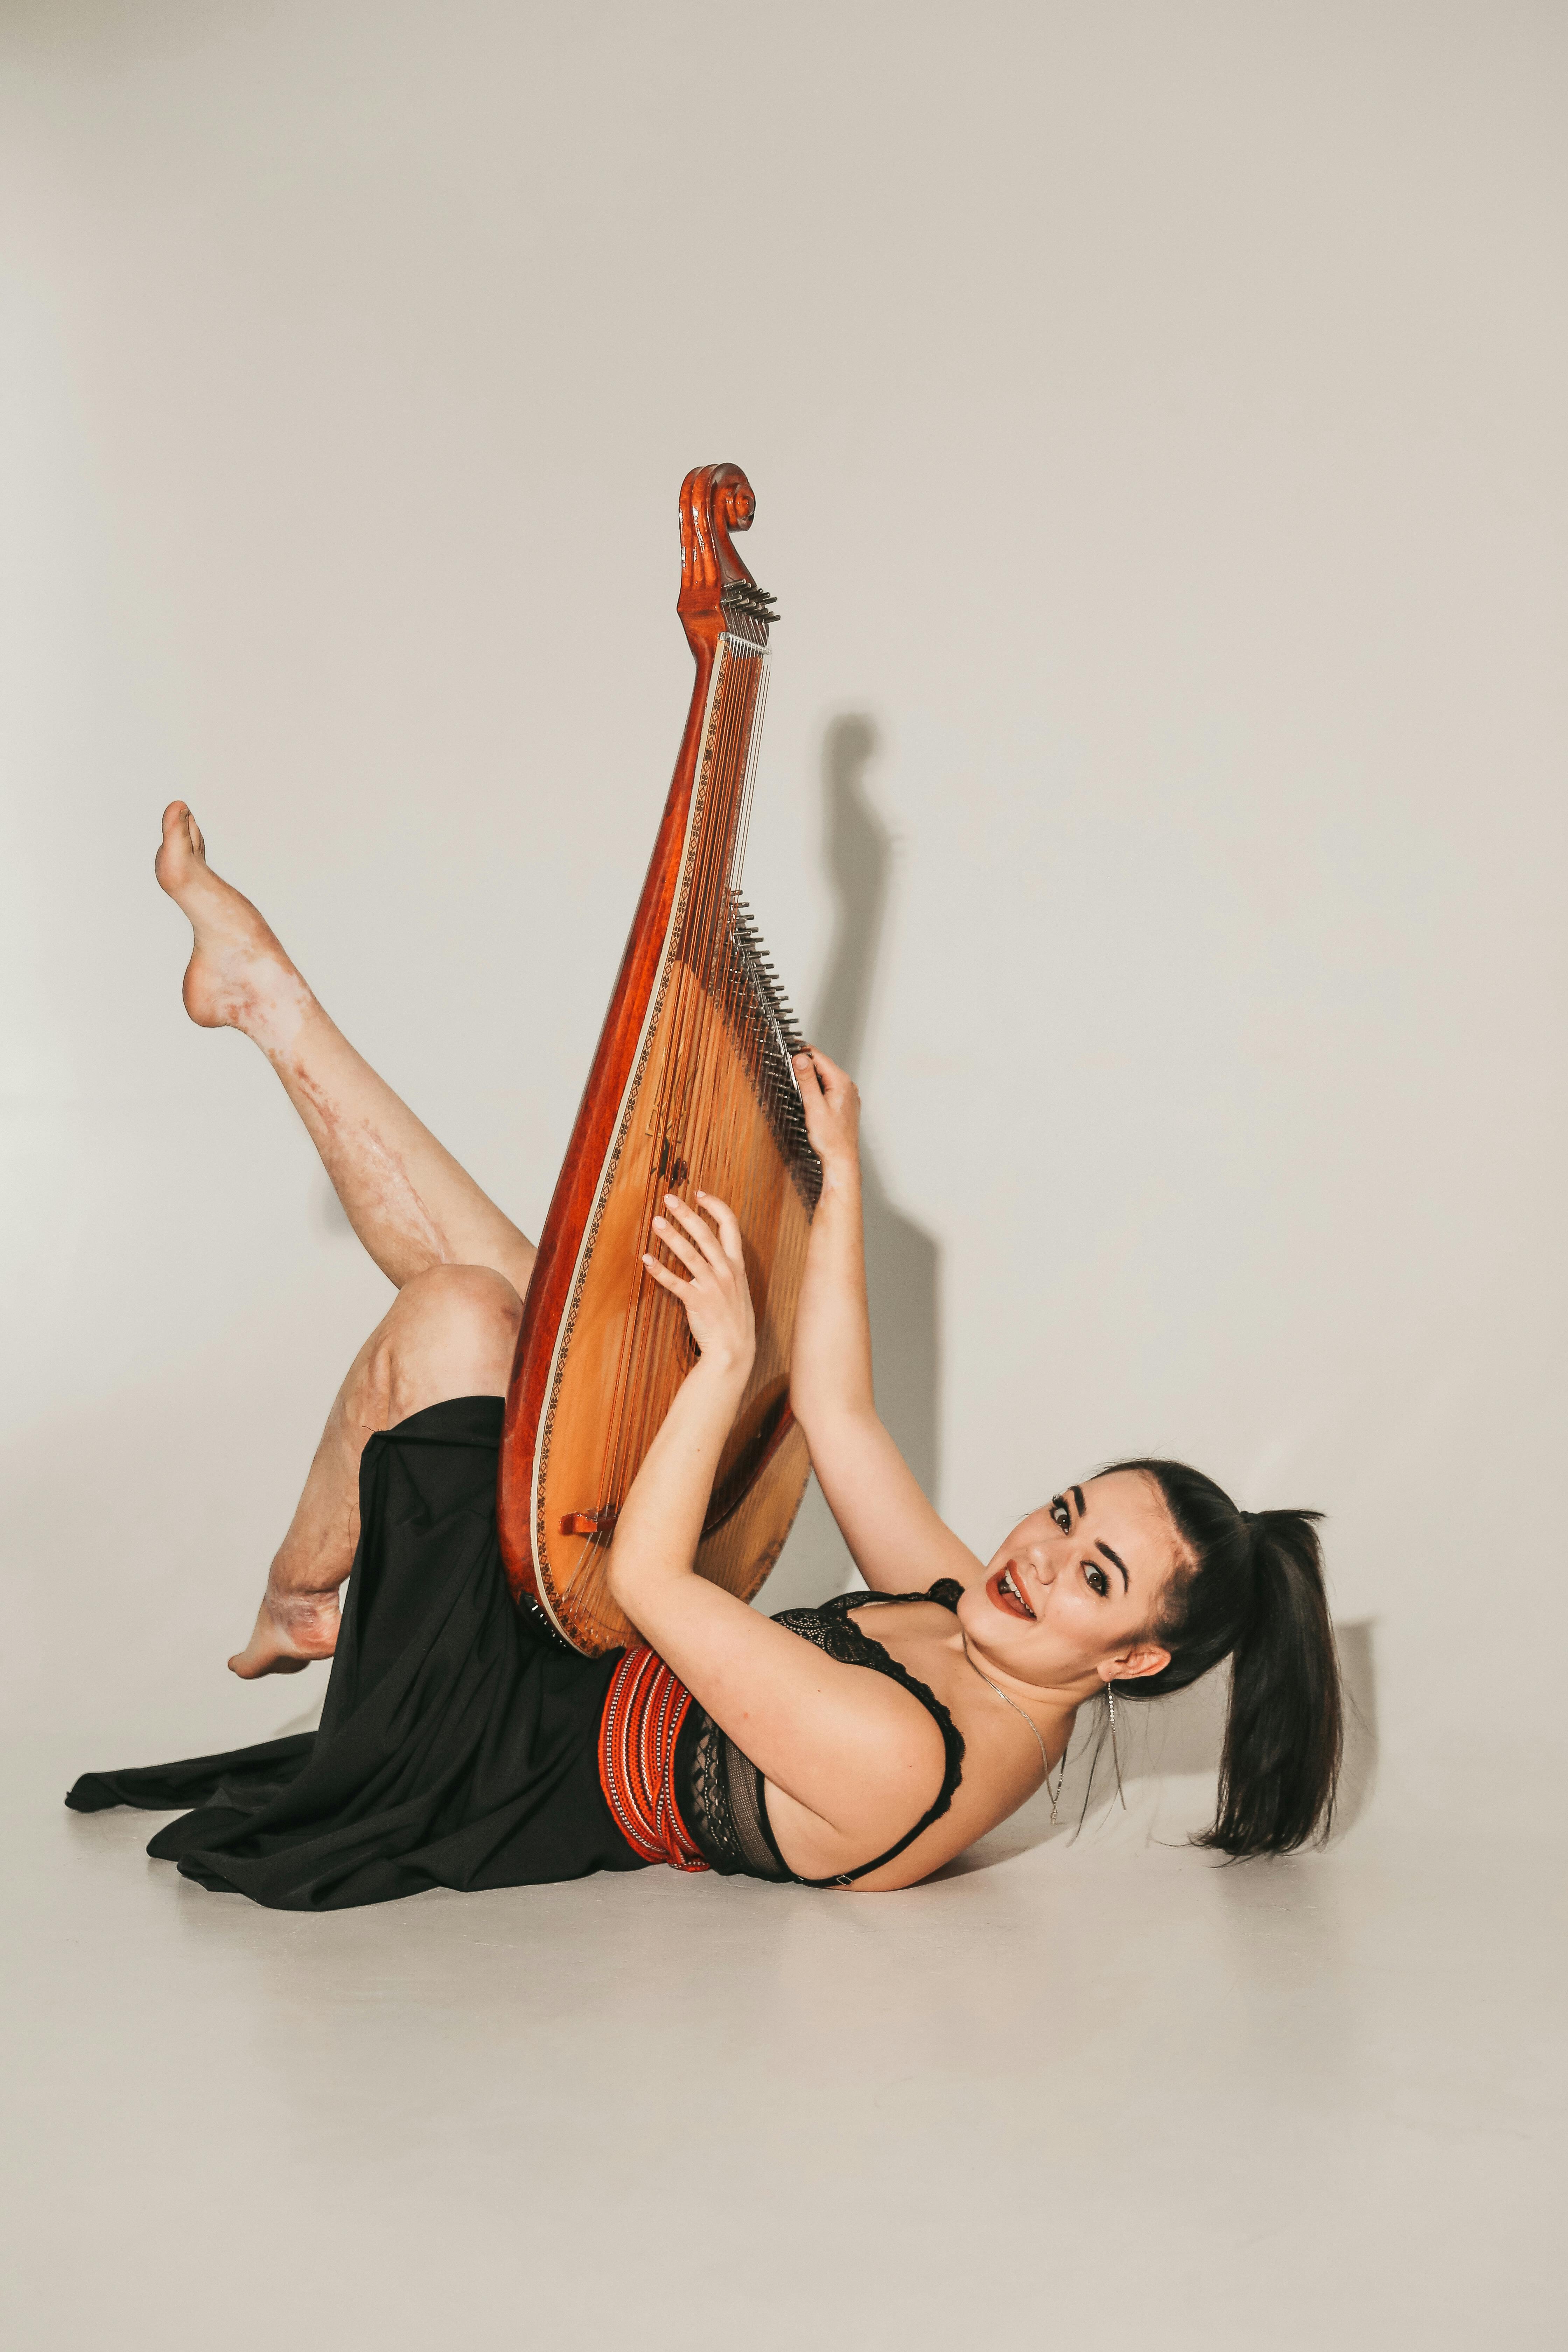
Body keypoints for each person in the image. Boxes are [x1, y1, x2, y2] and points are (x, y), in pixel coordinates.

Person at [65, 804, 1343, 1907]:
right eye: (1066, 1515)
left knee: (462, 1318)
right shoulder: (999, 1644)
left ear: (1133, 1661)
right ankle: (269, 1005)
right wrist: (841, 1178)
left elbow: (660, 1585)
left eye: (1095, 1575)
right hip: (564, 1651)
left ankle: (301, 1592)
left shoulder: (918, 1754)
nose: (1039, 1556)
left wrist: (726, 1360)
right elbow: (841, 1418)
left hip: (474, 1754)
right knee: (545, 1304)